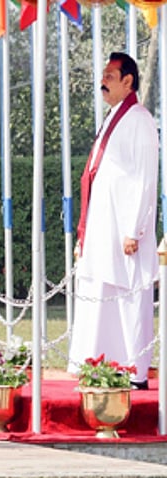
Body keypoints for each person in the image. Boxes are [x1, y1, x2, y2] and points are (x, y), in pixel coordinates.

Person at [68, 52, 159, 390]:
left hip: (124, 231)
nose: (102, 81)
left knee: (129, 296)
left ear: (128, 81)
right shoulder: (112, 118)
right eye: (103, 74)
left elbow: (145, 178)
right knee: (99, 292)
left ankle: (134, 371)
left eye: (109, 75)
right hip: (102, 228)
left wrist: (134, 229)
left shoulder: (139, 119)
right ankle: (99, 363)